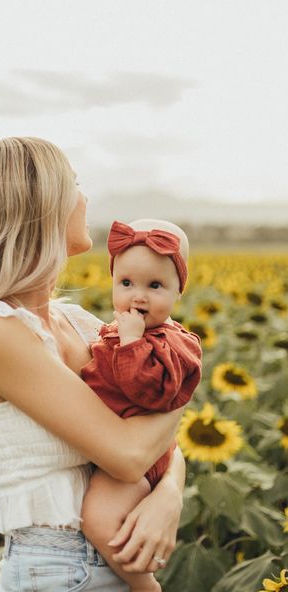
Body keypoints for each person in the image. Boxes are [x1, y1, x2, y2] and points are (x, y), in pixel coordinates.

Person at [0, 137, 186, 591]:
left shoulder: (80, 322)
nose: (85, 198)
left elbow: (151, 434)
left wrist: (169, 495)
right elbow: (129, 454)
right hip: (59, 570)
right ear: (43, 204)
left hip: (110, 560)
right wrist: (183, 373)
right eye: (75, 183)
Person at [80, 219, 202, 592]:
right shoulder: (118, 329)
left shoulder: (175, 344)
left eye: (155, 286)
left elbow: (152, 396)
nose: (138, 297)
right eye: (126, 283)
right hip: (122, 445)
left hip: (140, 457)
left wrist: (131, 345)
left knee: (98, 520)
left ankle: (144, 584)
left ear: (178, 291)